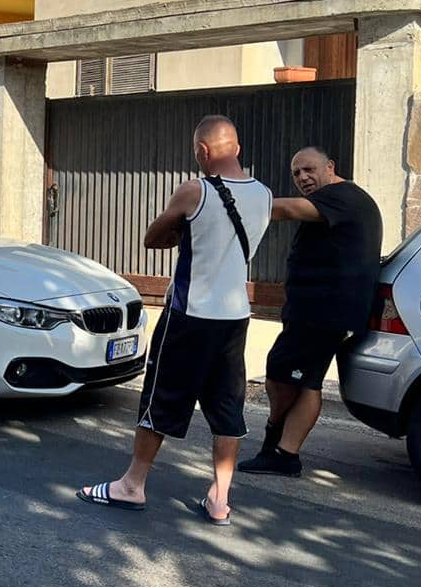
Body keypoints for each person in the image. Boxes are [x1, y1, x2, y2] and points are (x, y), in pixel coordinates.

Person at [76, 115, 271, 526]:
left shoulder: (194, 190)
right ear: (236, 147)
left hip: (190, 316)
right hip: (235, 318)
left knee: (161, 399)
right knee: (227, 407)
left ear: (203, 150)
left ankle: (131, 485)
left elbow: (152, 238)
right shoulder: (264, 195)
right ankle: (220, 498)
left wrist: (180, 228)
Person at [240, 147, 383, 477]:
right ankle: (282, 453)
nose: (303, 177)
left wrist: (232, 203)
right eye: (296, 173)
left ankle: (278, 440)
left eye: (309, 169)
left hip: (322, 313)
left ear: (330, 166)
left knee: (281, 371)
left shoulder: (341, 195)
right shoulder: (338, 200)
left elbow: (288, 209)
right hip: (321, 311)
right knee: (307, 381)